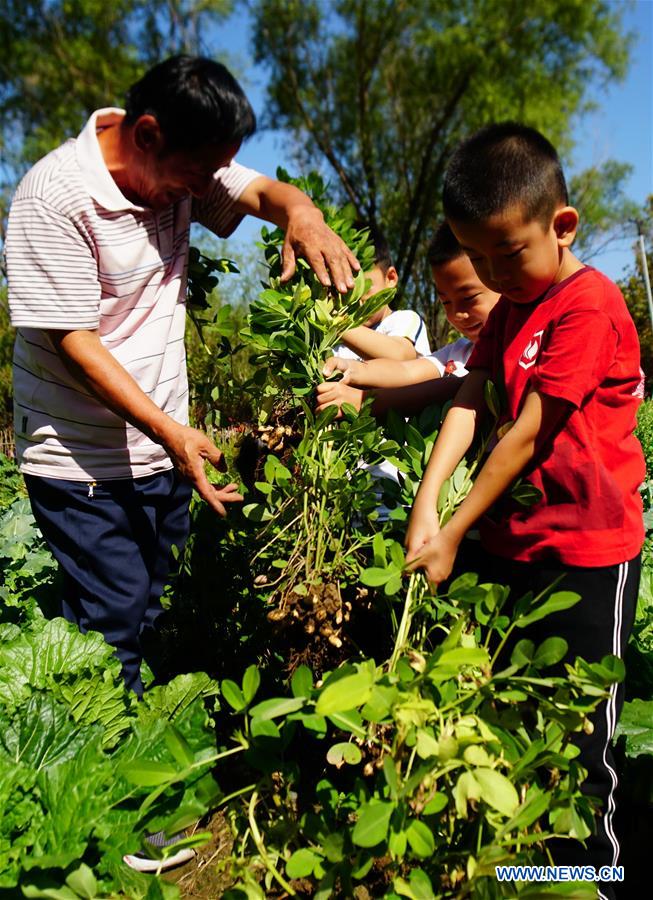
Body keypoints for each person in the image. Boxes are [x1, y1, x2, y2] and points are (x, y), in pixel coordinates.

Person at [5, 55, 360, 696]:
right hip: (80, 458)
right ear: (147, 134)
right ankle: (101, 770)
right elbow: (73, 343)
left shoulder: (184, 170)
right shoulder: (52, 197)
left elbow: (261, 193)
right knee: (108, 628)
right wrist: (170, 430)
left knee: (150, 615)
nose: (203, 189)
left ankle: (132, 743)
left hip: (165, 451)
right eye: (197, 175)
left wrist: (300, 213)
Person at [405, 123, 645, 898]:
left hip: (587, 554)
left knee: (579, 747)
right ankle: (514, 875)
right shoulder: (510, 308)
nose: (492, 273)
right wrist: (424, 501)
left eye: (507, 253)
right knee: (503, 713)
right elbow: (468, 407)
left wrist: (452, 529)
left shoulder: (587, 304)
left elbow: (527, 434)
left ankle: (589, 885)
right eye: (477, 259)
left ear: (561, 225)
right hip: (510, 545)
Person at [316, 221, 500, 416]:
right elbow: (406, 372)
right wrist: (351, 369)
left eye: (469, 297)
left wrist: (363, 401)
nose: (457, 313)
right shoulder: (456, 351)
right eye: (446, 303)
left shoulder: (517, 346)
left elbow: (440, 385)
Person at [333, 224, 431, 362]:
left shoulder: (404, 320)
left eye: (365, 286)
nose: (355, 298)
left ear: (390, 278)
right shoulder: (337, 344)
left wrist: (336, 323)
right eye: (346, 289)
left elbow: (400, 357)